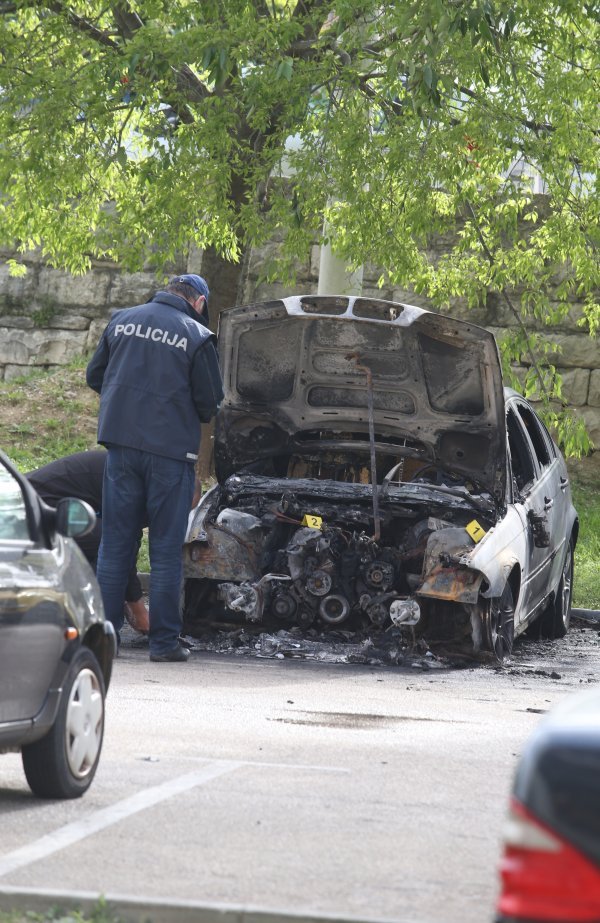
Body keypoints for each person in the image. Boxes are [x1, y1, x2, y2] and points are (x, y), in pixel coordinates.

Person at [86, 274, 223, 662]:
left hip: (121, 448)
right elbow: (210, 402)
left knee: (114, 546)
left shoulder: (121, 319)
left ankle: (104, 642)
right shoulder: (197, 335)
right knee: (164, 551)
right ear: (199, 303)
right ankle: (163, 644)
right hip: (170, 455)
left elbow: (95, 376)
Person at [26, 450, 150, 633]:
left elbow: (132, 539)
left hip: (47, 503)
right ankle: (85, 622)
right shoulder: (133, 484)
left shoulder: (140, 474)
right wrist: (138, 610)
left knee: (110, 543)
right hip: (32, 506)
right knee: (108, 544)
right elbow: (123, 547)